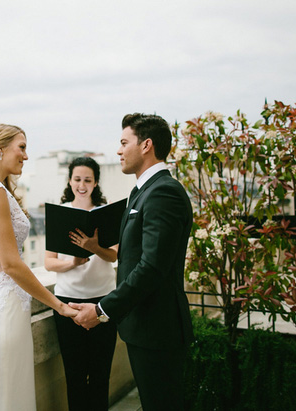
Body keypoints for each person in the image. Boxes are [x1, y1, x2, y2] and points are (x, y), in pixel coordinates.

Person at [70, 113, 194, 411]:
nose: (119, 150)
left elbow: (152, 267)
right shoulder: (144, 191)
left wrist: (101, 310)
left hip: (158, 329)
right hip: (144, 326)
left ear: (146, 145)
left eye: (124, 142)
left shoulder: (164, 192)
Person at [0, 124, 77, 411]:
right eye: (22, 147)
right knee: (8, 400)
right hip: (5, 313)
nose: (26, 156)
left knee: (2, 398)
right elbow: (12, 264)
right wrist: (59, 306)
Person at [44, 156, 118, 411]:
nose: (82, 185)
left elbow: (115, 255)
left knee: (100, 375)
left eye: (88, 179)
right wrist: (73, 263)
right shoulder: (59, 213)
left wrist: (95, 247)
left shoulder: (107, 213)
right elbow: (49, 263)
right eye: (77, 179)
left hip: (104, 301)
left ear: (96, 182)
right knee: (74, 375)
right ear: (69, 180)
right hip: (68, 301)